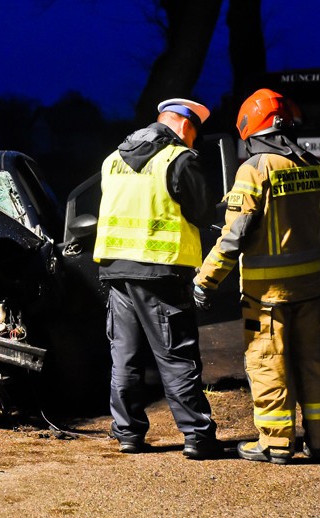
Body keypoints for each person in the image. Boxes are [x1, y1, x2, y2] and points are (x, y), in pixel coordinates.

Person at [193, 89, 320, 464]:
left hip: (268, 295)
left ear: (252, 131)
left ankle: (275, 444)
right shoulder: (315, 165)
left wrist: (205, 279)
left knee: (267, 362)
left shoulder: (255, 169)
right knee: (312, 361)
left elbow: (236, 234)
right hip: (309, 289)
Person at [93, 97, 220, 459]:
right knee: (177, 356)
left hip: (117, 271)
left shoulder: (113, 160)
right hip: (161, 271)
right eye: (194, 133)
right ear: (184, 125)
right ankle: (197, 436)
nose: (193, 141)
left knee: (125, 357)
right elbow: (200, 212)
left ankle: (128, 434)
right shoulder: (179, 159)